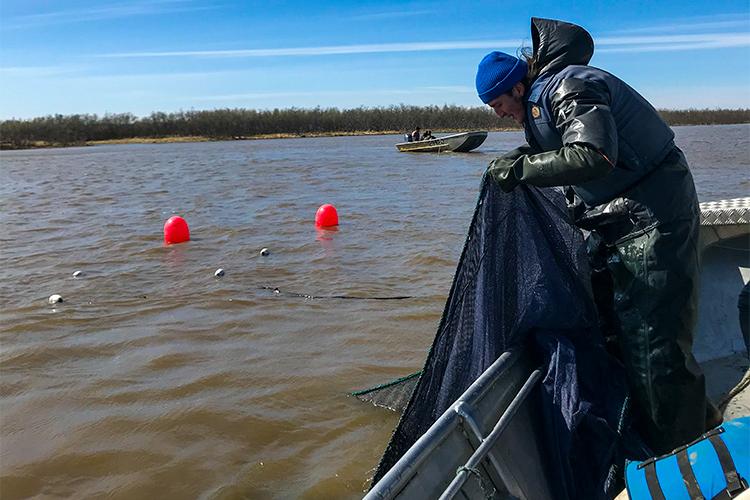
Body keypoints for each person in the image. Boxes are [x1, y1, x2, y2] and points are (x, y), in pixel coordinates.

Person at [475, 17, 719, 454]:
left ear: (516, 88)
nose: (500, 115)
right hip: (615, 221)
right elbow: (565, 145)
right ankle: (691, 426)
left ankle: (686, 453)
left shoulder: (569, 86)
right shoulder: (544, 96)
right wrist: (528, 154)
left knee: (653, 346)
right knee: (614, 332)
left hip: (652, 217)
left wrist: (522, 169)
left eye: (498, 104)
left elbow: (593, 154)